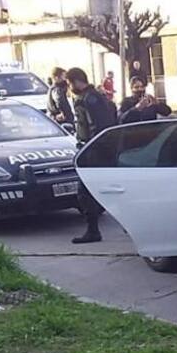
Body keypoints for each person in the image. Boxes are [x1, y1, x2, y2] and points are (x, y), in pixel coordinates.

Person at [66, 67, 117, 244]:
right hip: (95, 148)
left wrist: (90, 148)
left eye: (69, 83)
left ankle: (93, 231)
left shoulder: (90, 99)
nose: (69, 87)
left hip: (92, 150)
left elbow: (98, 127)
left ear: (75, 81)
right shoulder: (92, 96)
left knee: (85, 192)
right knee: (101, 190)